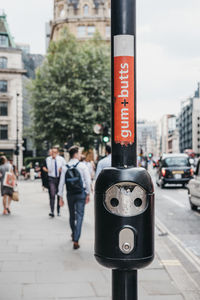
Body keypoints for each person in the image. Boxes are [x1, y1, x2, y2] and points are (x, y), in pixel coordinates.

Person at [58, 146, 91, 250]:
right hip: (80, 193)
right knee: (80, 215)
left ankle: (73, 233)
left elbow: (61, 183)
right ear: (76, 154)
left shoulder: (65, 167)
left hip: (70, 194)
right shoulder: (82, 166)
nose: (81, 155)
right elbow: (88, 181)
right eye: (80, 153)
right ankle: (76, 239)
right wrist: (88, 193)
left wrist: (60, 197)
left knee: (72, 215)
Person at [44, 147, 66, 218]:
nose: (53, 153)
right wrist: (47, 170)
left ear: (57, 152)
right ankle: (52, 211)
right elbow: (45, 167)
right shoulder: (48, 159)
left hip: (59, 178)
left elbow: (65, 168)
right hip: (51, 178)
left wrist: (62, 169)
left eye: (55, 152)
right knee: (52, 194)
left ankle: (58, 210)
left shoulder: (61, 159)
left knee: (59, 195)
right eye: (52, 152)